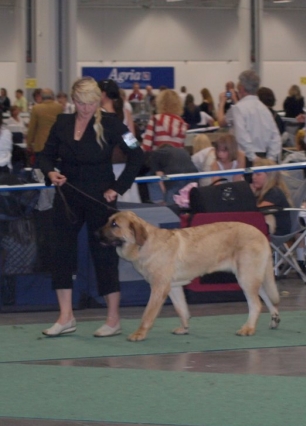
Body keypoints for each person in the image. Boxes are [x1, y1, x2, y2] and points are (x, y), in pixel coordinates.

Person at [37, 77, 143, 337]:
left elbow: (138, 154)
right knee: (61, 252)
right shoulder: (62, 123)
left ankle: (113, 319)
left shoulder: (113, 123)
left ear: (98, 100)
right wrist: (50, 172)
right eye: (81, 103)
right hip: (68, 197)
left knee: (104, 257)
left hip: (101, 200)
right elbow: (44, 154)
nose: (86, 108)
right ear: (74, 101)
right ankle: (66, 316)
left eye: (91, 103)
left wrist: (118, 187)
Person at [227, 70, 281, 164]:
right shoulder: (265, 109)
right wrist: (270, 158)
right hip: (265, 156)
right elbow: (275, 137)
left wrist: (253, 158)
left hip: (246, 158)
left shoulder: (238, 108)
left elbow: (241, 137)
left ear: (241, 88)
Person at [251, 157, 292, 236]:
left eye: (258, 174)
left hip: (276, 231)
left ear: (269, 177)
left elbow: (257, 211)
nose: (253, 177)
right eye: (253, 174)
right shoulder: (261, 191)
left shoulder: (274, 192)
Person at [148, 141, 197, 206]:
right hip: (193, 176)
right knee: (190, 201)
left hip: (175, 176)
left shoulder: (156, 154)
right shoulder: (183, 151)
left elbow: (160, 176)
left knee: (172, 205)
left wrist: (165, 193)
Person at [27, 88, 63, 163]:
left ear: (42, 97)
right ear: (53, 96)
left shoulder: (36, 108)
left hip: (41, 144)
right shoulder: (59, 107)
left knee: (40, 170)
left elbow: (32, 128)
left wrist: (29, 143)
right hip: (56, 144)